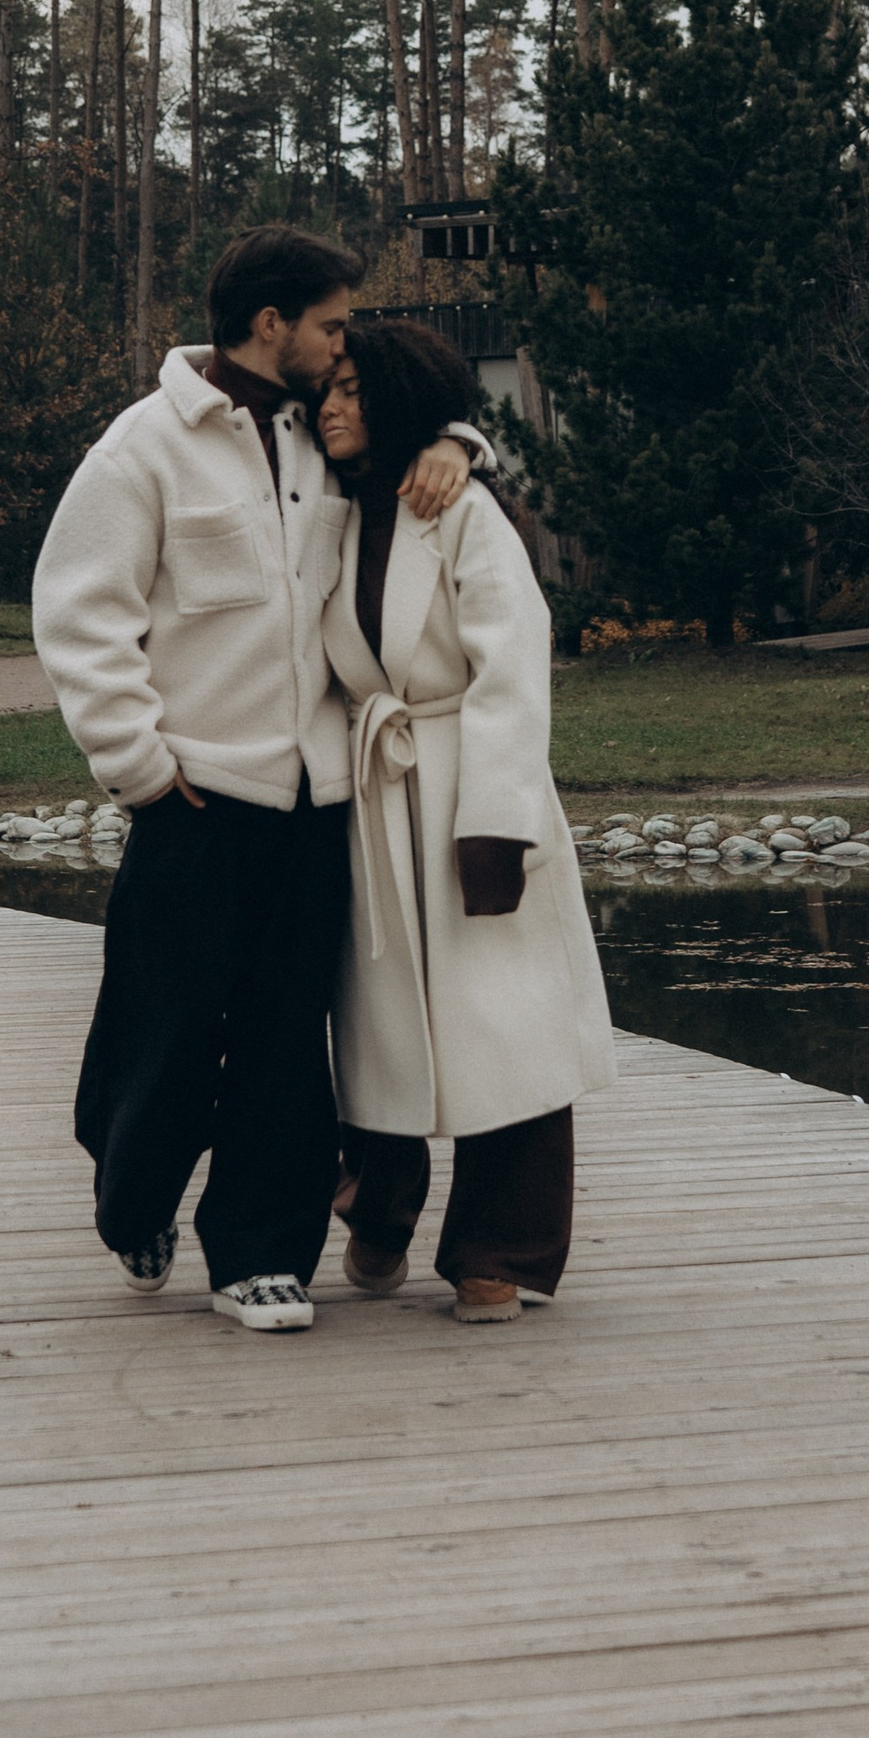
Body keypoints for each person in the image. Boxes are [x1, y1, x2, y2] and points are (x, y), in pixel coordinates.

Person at [32, 228, 484, 1334]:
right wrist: (140, 768)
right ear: (270, 322)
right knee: (164, 1032)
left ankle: (260, 1254)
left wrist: (459, 440)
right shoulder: (142, 449)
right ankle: (135, 1200)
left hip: (314, 805)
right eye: (331, 323)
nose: (343, 344)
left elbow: (422, 420)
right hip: (190, 799)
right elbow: (81, 617)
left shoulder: (327, 435)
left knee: (288, 1040)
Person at [318, 316, 616, 1324]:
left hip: (462, 781)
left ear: (397, 398)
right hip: (372, 791)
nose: (331, 406)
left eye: (353, 390)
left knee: (504, 1020)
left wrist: (493, 823)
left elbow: (512, 666)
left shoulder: (463, 512)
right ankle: (379, 1207)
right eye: (327, 389)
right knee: (376, 1024)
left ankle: (500, 1247)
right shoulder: (329, 506)